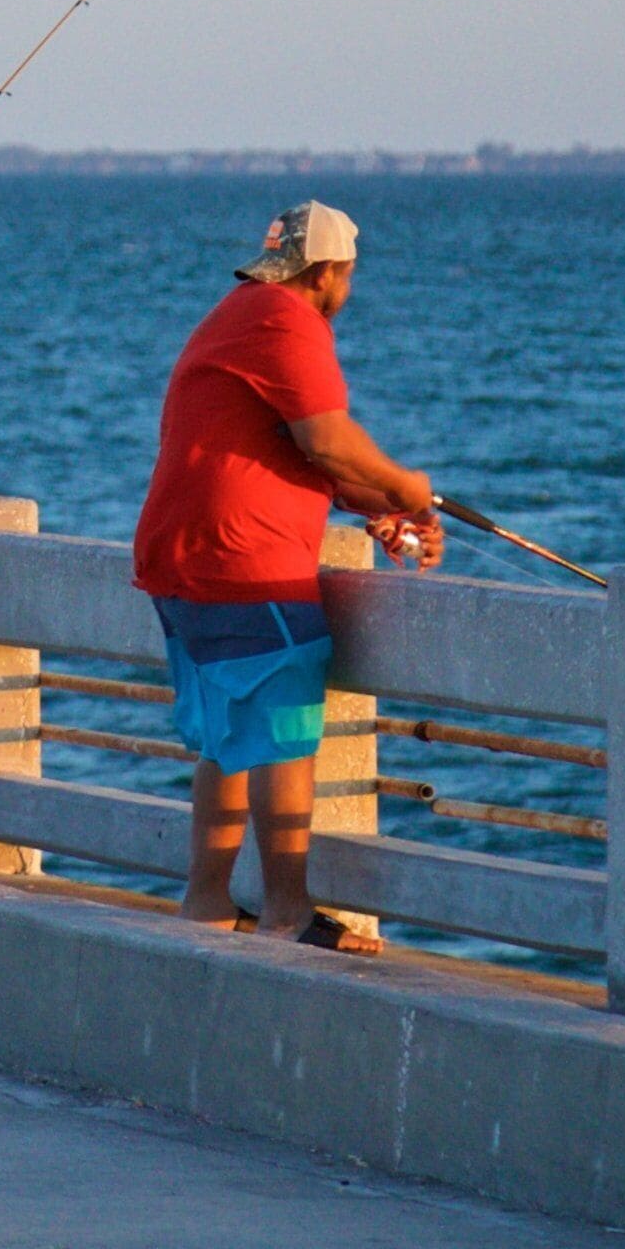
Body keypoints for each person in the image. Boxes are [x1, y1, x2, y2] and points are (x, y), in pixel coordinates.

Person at [131, 200, 439, 951]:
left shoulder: (236, 311)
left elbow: (297, 456)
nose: (347, 291)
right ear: (329, 272)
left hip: (181, 555)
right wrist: (408, 490)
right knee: (285, 737)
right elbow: (328, 439)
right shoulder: (289, 319)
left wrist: (375, 507)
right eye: (348, 276)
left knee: (228, 736)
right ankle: (288, 910)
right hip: (246, 562)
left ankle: (207, 900)